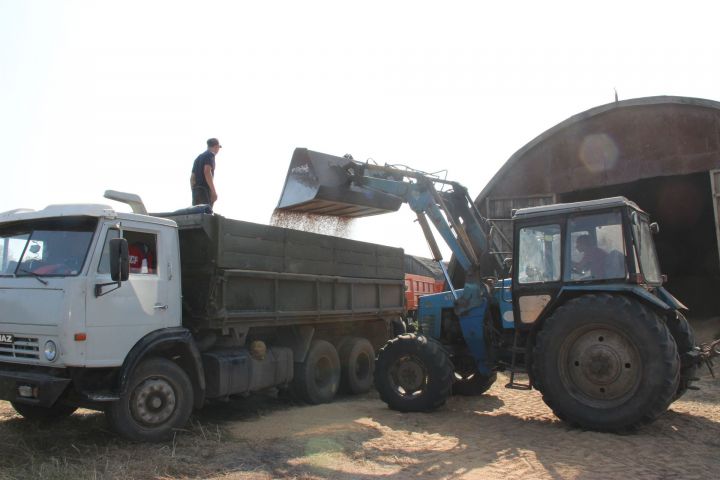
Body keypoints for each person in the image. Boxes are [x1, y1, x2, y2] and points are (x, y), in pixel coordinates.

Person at [190, 138, 222, 207]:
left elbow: (192, 178)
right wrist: (213, 192)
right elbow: (207, 171)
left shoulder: (198, 158)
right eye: (218, 147)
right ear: (216, 146)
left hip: (196, 191)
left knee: (197, 215)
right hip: (204, 191)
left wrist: (194, 192)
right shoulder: (210, 155)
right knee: (207, 215)